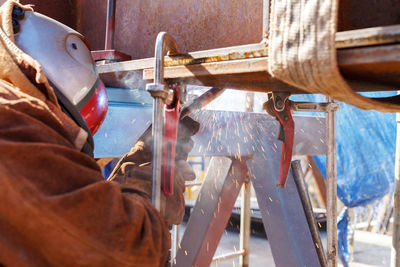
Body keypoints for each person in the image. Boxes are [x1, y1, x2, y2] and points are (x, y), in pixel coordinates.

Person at [0, 1, 199, 266]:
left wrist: (135, 169)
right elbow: (124, 250)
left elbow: (70, 225)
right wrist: (150, 174)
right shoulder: (12, 120)